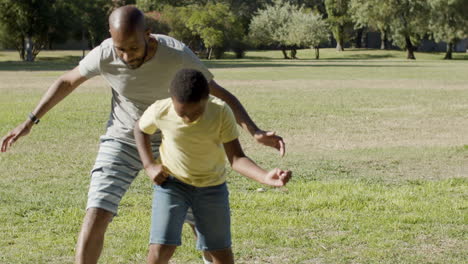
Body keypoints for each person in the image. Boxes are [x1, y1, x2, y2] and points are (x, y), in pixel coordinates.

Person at [0, 5, 285, 264]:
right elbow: (67, 80)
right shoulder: (105, 53)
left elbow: (219, 94)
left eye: (132, 47)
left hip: (174, 142)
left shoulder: (176, 55)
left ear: (148, 34)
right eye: (120, 48)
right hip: (124, 136)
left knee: (201, 222)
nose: (125, 56)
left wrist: (255, 131)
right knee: (97, 210)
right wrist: (30, 121)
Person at [134, 68, 292, 264]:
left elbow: (236, 158)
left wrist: (264, 176)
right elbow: (140, 129)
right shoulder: (161, 109)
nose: (189, 118)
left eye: (196, 112)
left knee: (220, 253)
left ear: (207, 98)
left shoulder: (220, 111)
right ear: (171, 97)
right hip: (172, 185)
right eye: (182, 113)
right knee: (161, 248)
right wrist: (149, 165)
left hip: (211, 188)